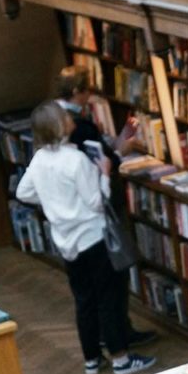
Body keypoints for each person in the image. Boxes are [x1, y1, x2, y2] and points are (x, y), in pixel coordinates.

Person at [16, 101, 157, 374]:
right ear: (60, 125)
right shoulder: (76, 160)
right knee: (109, 297)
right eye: (65, 117)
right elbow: (95, 201)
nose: (70, 119)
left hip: (66, 240)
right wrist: (104, 173)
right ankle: (121, 359)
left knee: (84, 299)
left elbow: (23, 192)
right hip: (93, 237)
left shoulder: (40, 159)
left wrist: (52, 203)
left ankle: (91, 358)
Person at [56, 66, 158, 348]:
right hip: (96, 214)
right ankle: (117, 339)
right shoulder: (78, 125)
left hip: (70, 223)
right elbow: (101, 162)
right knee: (112, 278)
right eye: (88, 90)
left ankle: (108, 337)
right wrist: (119, 151)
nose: (91, 96)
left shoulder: (53, 118)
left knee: (89, 290)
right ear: (78, 91)